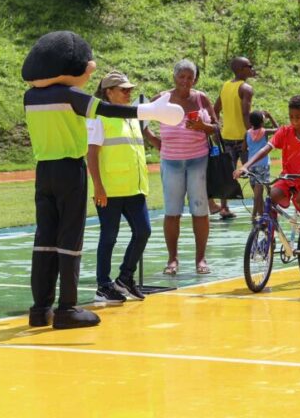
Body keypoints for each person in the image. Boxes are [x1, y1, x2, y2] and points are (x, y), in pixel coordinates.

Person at [22, 31, 182, 329]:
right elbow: (107, 109)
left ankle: (39, 307)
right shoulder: (70, 95)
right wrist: (150, 111)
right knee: (69, 238)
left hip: (43, 171)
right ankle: (66, 308)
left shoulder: (30, 97)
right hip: (70, 170)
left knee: (44, 239)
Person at [234, 95, 300, 289]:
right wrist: (246, 165)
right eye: (291, 117)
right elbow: (265, 149)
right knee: (272, 197)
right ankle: (270, 237)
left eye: (299, 117)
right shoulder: (284, 132)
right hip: (288, 179)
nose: (294, 121)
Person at [144, 59, 219, 276]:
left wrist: (202, 126)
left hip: (198, 161)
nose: (185, 81)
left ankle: (201, 259)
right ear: (174, 77)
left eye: (190, 77)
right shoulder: (162, 98)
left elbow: (216, 127)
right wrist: (155, 141)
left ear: (195, 79)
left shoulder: (201, 98)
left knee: (200, 211)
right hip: (171, 162)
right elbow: (142, 121)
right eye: (181, 77)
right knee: (172, 212)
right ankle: (172, 259)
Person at [86, 71, 151, 304]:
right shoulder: (98, 117)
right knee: (109, 236)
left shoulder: (131, 116)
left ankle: (125, 278)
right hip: (110, 189)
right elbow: (91, 153)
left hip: (134, 188)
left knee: (143, 231)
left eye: (130, 89)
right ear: (108, 92)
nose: (128, 93)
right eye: (123, 90)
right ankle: (103, 285)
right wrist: (98, 187)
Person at [211, 57, 255, 219]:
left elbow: (215, 109)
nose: (252, 69)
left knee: (228, 173)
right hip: (242, 137)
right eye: (249, 66)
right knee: (252, 171)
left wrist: (218, 129)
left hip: (226, 137)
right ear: (242, 69)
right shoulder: (246, 88)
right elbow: (245, 114)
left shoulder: (226, 86)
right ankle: (259, 209)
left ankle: (224, 208)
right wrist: (251, 135)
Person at [245, 110, 279, 222]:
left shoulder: (247, 133)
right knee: (258, 194)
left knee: (257, 192)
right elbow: (278, 130)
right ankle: (255, 215)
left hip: (251, 166)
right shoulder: (264, 132)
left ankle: (263, 214)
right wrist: (270, 116)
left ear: (250, 122)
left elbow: (243, 148)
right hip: (263, 165)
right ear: (262, 121)